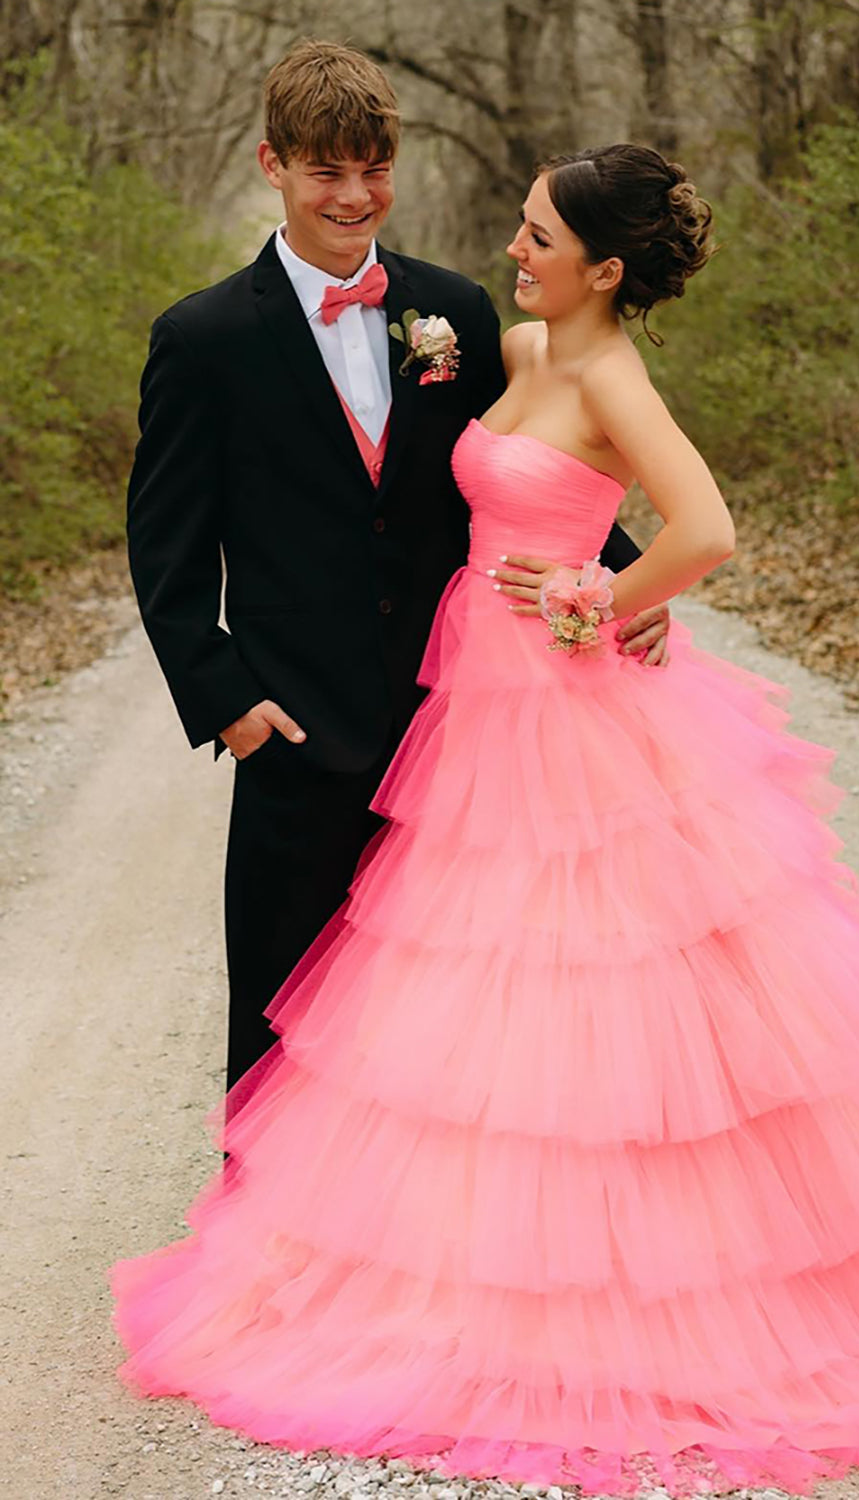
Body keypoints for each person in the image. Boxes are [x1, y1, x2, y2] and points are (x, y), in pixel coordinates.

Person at [109, 145, 859, 1499]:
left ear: (605, 268)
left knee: (591, 974)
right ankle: (442, 1251)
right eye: (520, 228)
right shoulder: (500, 338)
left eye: (536, 234)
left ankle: (616, 1284)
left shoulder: (607, 376)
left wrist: (608, 603)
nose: (512, 249)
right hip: (470, 697)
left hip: (565, 704)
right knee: (461, 972)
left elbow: (705, 526)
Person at [124, 39, 670, 1114]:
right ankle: (263, 1252)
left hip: (454, 729)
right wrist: (226, 700)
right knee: (280, 1016)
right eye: (327, 170)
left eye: (374, 167)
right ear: (271, 163)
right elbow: (167, 548)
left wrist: (619, 588)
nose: (355, 194)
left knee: (443, 1016)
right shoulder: (203, 340)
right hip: (292, 731)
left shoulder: (455, 312)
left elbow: (511, 476)